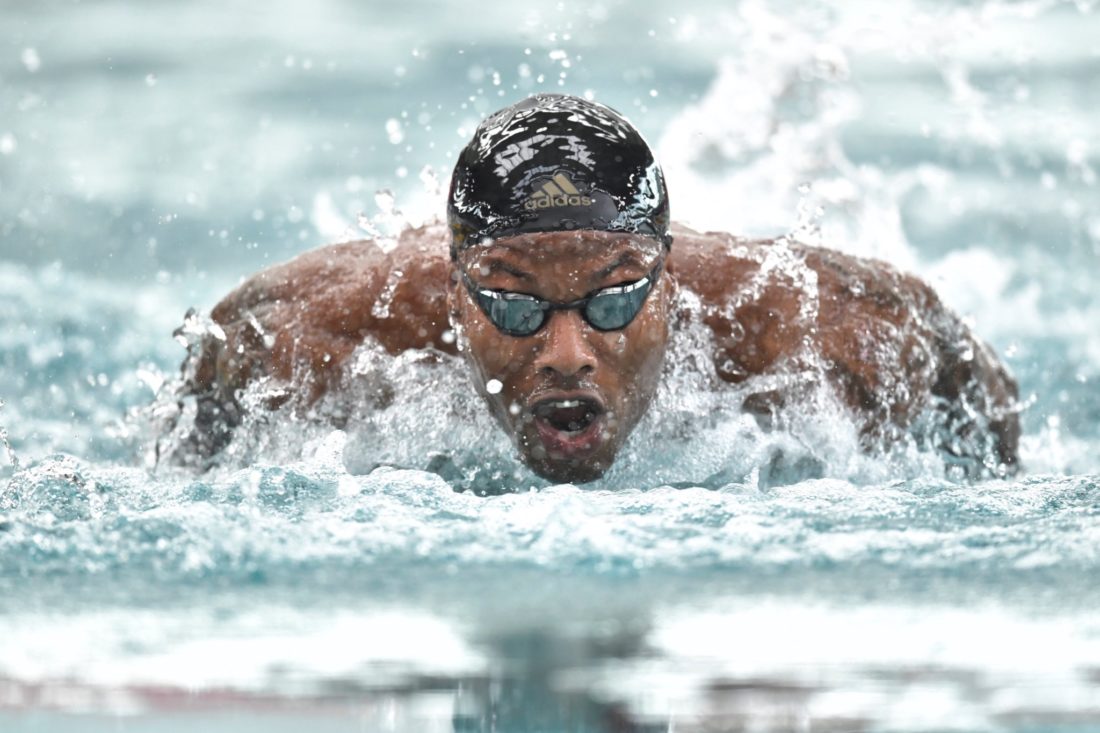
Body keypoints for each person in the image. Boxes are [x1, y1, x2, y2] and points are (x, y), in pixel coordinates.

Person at [170, 93, 1020, 483]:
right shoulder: (314, 336)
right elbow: (187, 434)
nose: (568, 352)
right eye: (512, 306)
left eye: (615, 301)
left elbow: (973, 384)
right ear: (453, 288)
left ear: (671, 279)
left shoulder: (801, 330)